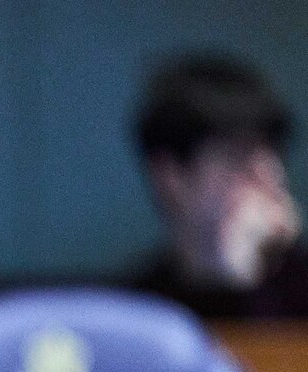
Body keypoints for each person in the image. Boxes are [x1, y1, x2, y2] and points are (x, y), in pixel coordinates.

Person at [124, 53, 307, 320]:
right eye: (238, 156)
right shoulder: (138, 310)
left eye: (273, 155)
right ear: (170, 175)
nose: (271, 177)